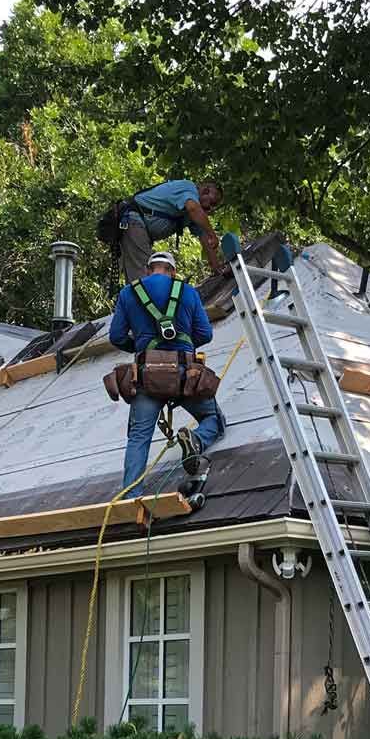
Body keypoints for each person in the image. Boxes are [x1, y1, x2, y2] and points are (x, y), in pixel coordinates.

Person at [107, 249, 223, 504]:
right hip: (184, 375)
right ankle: (197, 439)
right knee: (213, 418)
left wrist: (142, 348)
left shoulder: (129, 293)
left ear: (149, 270)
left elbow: (116, 337)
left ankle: (130, 496)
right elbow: (205, 334)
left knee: (139, 437)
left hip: (147, 378)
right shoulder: (187, 291)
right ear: (172, 271)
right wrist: (182, 344)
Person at [116, 178, 225, 285]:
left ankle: (144, 299)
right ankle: (145, 301)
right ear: (205, 191)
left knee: (142, 274)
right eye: (212, 203)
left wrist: (217, 269)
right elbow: (193, 209)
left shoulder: (192, 214)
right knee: (143, 274)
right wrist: (213, 234)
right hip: (134, 222)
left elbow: (205, 239)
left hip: (139, 229)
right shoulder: (188, 188)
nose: (210, 209)